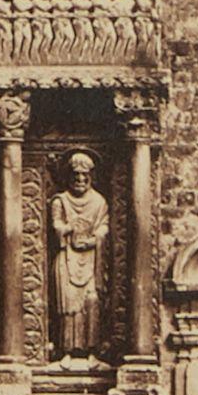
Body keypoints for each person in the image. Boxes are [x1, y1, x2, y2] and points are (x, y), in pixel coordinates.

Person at [51, 150, 112, 361]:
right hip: (67, 256)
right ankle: (66, 350)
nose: (80, 180)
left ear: (91, 177)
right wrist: (67, 229)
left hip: (90, 259)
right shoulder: (60, 201)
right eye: (75, 175)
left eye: (84, 176)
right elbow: (56, 225)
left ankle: (91, 351)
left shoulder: (99, 202)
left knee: (91, 301)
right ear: (68, 177)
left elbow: (103, 227)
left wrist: (95, 239)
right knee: (68, 304)